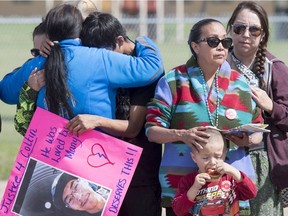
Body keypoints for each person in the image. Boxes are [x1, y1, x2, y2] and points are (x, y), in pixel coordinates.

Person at [15, 11, 163, 216]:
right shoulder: (95, 63)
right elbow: (153, 67)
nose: (107, 58)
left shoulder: (135, 75)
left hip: (135, 175)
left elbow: (133, 128)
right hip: (105, 170)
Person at [145, 18, 263, 216]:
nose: (221, 47)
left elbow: (258, 128)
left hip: (230, 192)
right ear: (195, 46)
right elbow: (152, 132)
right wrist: (182, 134)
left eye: (225, 42)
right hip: (183, 192)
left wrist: (248, 139)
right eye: (212, 41)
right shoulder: (174, 80)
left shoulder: (241, 83)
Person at [0, 3, 163, 121]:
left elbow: (5, 92)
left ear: (48, 32)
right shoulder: (101, 58)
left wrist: (29, 79)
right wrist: (142, 40)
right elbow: (152, 68)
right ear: (80, 29)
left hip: (48, 155)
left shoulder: (36, 63)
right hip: (94, 157)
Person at [226, 1, 288, 215]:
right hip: (219, 158)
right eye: (239, 28)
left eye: (254, 29)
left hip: (262, 163)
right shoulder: (215, 61)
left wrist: (270, 106)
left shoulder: (275, 68)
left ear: (263, 35)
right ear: (230, 29)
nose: (246, 34)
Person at [172, 128, 257, 215]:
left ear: (224, 155)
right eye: (205, 158)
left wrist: (235, 172)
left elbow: (251, 194)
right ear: (194, 157)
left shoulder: (231, 177)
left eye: (218, 157)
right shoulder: (188, 181)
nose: (212, 162)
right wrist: (194, 188)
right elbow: (178, 210)